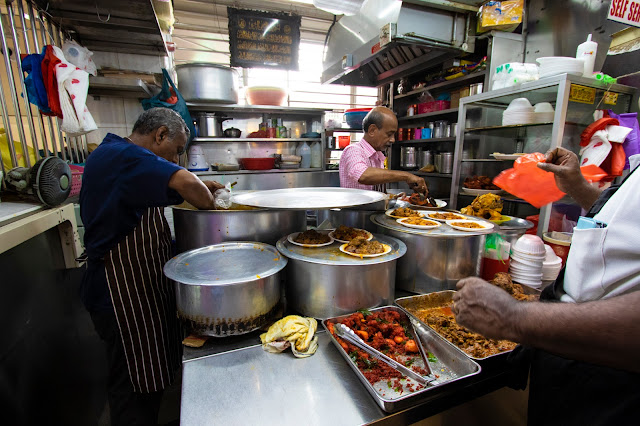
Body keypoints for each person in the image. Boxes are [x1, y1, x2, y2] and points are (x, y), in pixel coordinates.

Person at [452, 147, 640, 426]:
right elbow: (621, 228)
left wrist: (513, 316)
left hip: (612, 384)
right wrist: (578, 187)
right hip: (569, 359)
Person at [80, 108, 225, 425]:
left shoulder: (122, 160)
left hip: (138, 290)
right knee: (133, 389)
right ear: (160, 134)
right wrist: (215, 204)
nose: (175, 161)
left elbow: (176, 187)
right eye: (175, 151)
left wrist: (202, 185)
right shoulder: (122, 155)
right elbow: (186, 183)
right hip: (121, 295)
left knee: (147, 382)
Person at [339, 106, 428, 194]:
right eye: (389, 134)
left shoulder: (377, 156)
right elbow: (363, 175)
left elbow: (374, 192)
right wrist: (406, 176)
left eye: (393, 135)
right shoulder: (353, 150)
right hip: (356, 208)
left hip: (372, 208)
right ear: (372, 130)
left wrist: (392, 197)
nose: (392, 140)